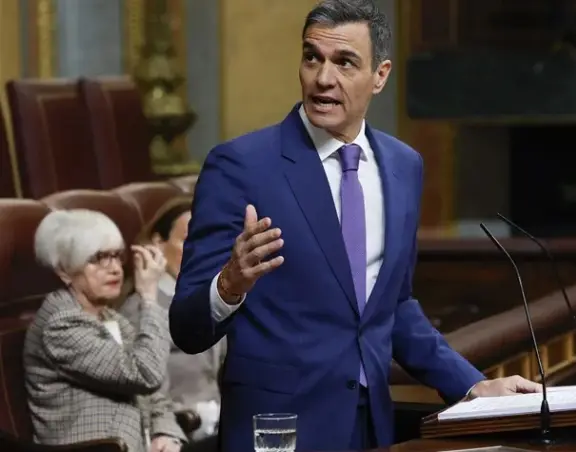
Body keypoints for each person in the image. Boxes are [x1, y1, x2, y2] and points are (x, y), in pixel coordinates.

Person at [169, 1, 541, 451]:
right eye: (312, 58)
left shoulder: (403, 166)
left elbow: (392, 308)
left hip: (370, 428)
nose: (323, 78)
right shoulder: (240, 166)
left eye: (344, 62)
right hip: (279, 431)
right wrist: (229, 285)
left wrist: (470, 385)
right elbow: (186, 328)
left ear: (380, 76)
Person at [24, 209, 186, 452]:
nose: (115, 269)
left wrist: (165, 432)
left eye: (116, 256)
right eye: (98, 258)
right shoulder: (60, 325)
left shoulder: (110, 317)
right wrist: (149, 298)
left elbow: (156, 390)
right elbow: (146, 374)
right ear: (64, 270)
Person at [121, 197, 225, 444]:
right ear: (158, 243)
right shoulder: (141, 309)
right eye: (188, 241)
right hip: (177, 435)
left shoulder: (212, 298)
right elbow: (142, 391)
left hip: (219, 426)